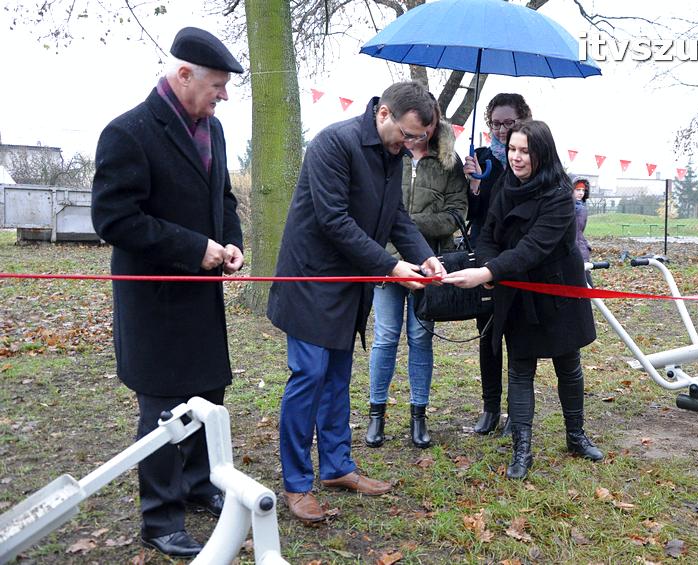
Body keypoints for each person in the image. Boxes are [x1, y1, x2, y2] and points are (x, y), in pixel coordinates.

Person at [90, 27, 244, 558]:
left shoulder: (214, 132)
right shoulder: (128, 132)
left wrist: (230, 243)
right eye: (217, 85)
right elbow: (114, 219)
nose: (223, 95)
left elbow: (221, 196)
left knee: (208, 394)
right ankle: (159, 517)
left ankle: (200, 485)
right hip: (153, 300)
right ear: (183, 75)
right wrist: (191, 247)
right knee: (163, 411)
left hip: (202, 297)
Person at [266, 81, 446, 523]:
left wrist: (425, 257)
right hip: (310, 280)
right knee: (308, 377)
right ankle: (295, 483)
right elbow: (333, 220)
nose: (411, 145)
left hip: (349, 283)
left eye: (418, 138)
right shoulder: (335, 143)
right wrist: (390, 267)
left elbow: (396, 218)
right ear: (383, 113)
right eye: (407, 135)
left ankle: (338, 467)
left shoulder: (393, 155)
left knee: (337, 379)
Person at [444, 120, 603, 481]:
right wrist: (488, 265)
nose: (516, 157)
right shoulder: (505, 186)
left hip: (556, 291)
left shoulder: (560, 195)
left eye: (525, 151)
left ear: (541, 153)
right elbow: (488, 236)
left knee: (568, 364)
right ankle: (522, 449)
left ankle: (575, 435)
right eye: (513, 149)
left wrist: (486, 275)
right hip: (515, 291)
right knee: (520, 369)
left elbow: (534, 248)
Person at [366, 114, 468, 450]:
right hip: (388, 261)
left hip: (429, 263)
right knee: (384, 338)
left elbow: (456, 214)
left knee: (421, 338)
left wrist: (409, 225)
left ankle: (418, 416)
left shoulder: (448, 164)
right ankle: (376, 414)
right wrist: (392, 242)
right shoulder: (392, 155)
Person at [462, 93, 532, 436]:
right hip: (485, 257)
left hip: (518, 259)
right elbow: (473, 215)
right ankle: (490, 408)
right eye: (496, 123)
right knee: (487, 334)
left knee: (518, 335)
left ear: (521, 121)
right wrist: (474, 184)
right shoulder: (480, 158)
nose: (502, 130)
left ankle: (515, 414)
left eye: (509, 123)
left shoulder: (530, 158)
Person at [573, 178, 593, 285]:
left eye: (583, 190)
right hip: (575, 247)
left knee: (586, 282)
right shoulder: (569, 207)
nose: (581, 193)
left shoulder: (581, 208)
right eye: (578, 190)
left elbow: (579, 230)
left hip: (579, 246)